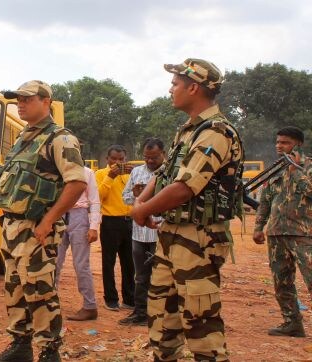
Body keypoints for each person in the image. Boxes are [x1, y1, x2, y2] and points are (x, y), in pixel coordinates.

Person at [0, 80, 87, 362]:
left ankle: (48, 352)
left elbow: (76, 183)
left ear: (46, 102)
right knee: (16, 288)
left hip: (37, 228)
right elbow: (9, 172)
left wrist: (48, 221)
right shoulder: (24, 138)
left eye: (27, 99)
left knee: (40, 291)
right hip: (13, 226)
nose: (20, 103)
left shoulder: (60, 138)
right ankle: (20, 347)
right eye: (17, 99)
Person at [130, 58, 243, 362]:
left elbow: (185, 187)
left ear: (193, 87)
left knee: (199, 323)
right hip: (173, 235)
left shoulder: (216, 132)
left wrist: (142, 211)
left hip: (198, 238)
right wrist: (143, 204)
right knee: (162, 318)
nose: (170, 89)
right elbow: (163, 174)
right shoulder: (189, 132)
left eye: (175, 83)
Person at [253, 126, 312, 338]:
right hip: (277, 234)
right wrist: (259, 227)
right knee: (282, 282)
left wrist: (296, 173)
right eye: (277, 142)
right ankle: (292, 323)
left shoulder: (308, 167)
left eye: (285, 142)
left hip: (303, 234)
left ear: (298, 144)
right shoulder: (275, 169)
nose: (279, 146)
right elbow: (266, 201)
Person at [119, 138, 165, 326]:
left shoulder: (170, 173)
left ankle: (160, 315)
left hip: (161, 234)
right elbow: (125, 197)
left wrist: (150, 195)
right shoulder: (137, 172)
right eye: (146, 157)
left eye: (153, 157)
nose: (149, 161)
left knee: (162, 276)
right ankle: (140, 313)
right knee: (141, 276)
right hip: (139, 234)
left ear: (163, 154)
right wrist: (136, 195)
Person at [55, 166, 101, 321]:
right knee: (54, 262)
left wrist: (94, 227)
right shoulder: (57, 169)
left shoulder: (86, 172)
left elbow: (94, 200)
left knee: (81, 264)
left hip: (79, 216)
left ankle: (90, 306)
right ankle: (50, 303)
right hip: (57, 215)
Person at [95, 145, 135, 311]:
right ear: (107, 159)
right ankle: (111, 299)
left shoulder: (131, 174)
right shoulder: (100, 174)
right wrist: (110, 176)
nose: (117, 163)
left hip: (130, 222)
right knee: (108, 262)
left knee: (129, 263)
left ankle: (129, 298)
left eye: (121, 159)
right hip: (110, 222)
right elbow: (98, 196)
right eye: (114, 159)